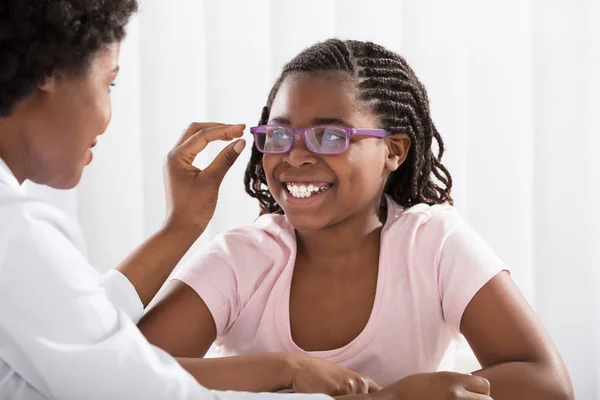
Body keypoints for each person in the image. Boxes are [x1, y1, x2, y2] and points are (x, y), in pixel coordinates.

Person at [138, 39, 575, 400]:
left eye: (330, 136)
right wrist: (287, 370)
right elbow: (124, 374)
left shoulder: (432, 244)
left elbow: (549, 384)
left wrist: (398, 396)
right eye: (279, 134)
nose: (295, 155)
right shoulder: (243, 258)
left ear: (394, 151)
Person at [0, 2, 375, 399]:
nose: (108, 116)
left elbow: (71, 331)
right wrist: (293, 373)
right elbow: (127, 386)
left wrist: (181, 226)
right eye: (109, 83)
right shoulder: (13, 232)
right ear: (49, 73)